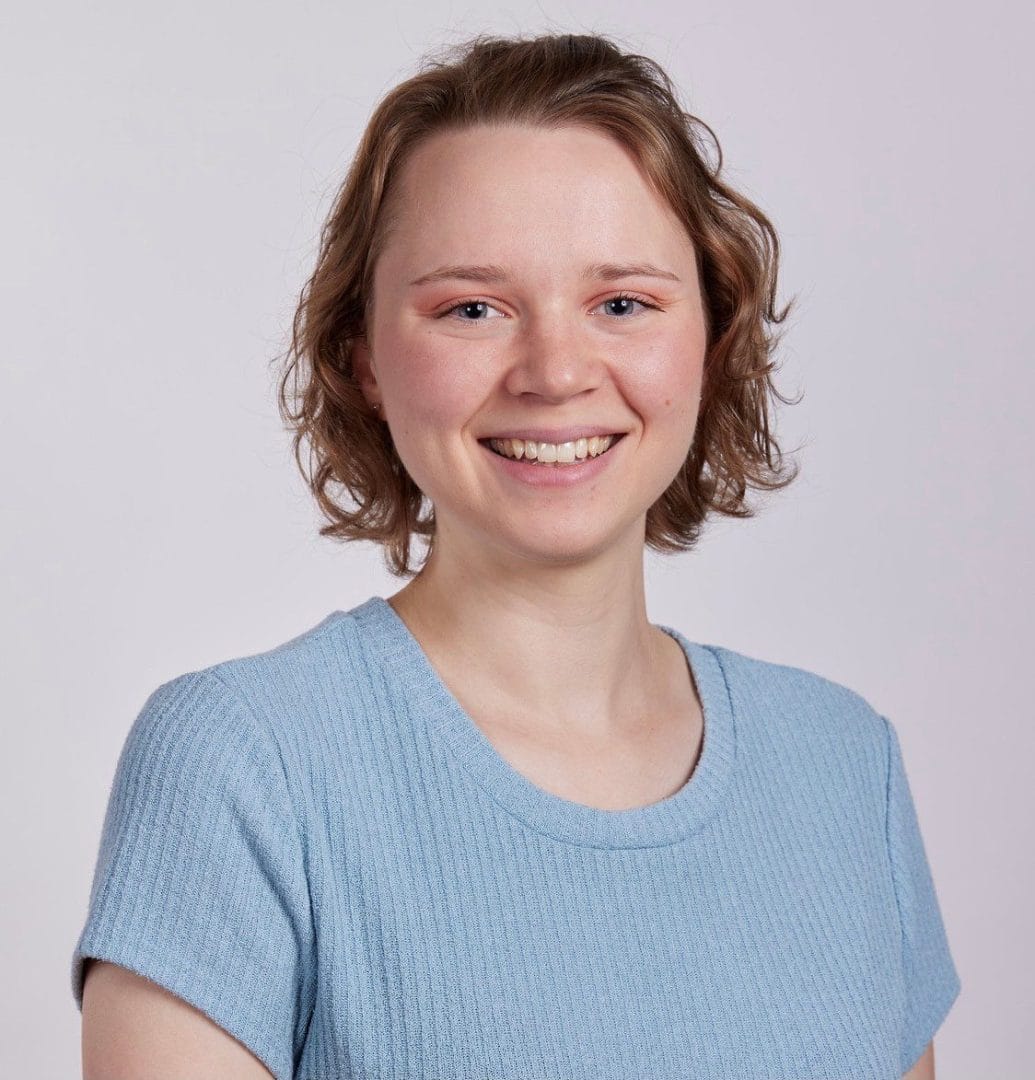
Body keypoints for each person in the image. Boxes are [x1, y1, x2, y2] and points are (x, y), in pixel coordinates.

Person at [71, 31, 961, 1080]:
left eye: (622, 302)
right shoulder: (242, 766)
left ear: (711, 338)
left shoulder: (843, 765)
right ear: (359, 355)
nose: (555, 370)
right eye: (473, 308)